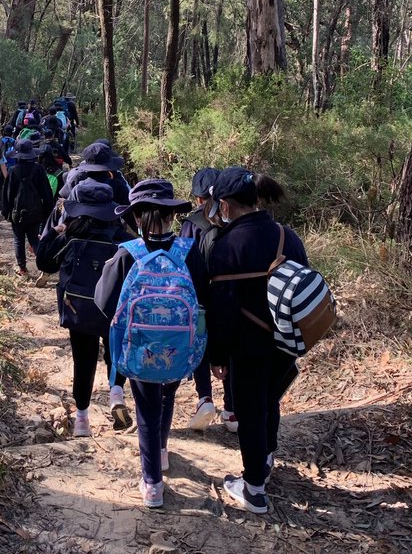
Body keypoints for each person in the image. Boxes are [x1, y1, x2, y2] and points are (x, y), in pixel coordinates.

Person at [95, 179, 209, 509]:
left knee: (146, 409)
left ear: (136, 216)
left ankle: (152, 484)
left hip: (140, 346)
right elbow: (203, 299)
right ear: (172, 216)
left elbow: (104, 301)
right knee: (168, 394)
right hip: (179, 346)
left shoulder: (127, 253)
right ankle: (161, 451)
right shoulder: (189, 252)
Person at [202, 167, 307, 515]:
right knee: (269, 400)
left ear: (225, 205)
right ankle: (265, 459)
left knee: (249, 411)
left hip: (246, 345)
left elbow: (221, 308)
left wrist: (217, 355)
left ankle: (254, 490)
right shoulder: (286, 236)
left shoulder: (225, 246)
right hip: (286, 341)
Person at [36, 179, 134, 435]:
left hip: (78, 308)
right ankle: (116, 392)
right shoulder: (122, 238)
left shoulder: (70, 236)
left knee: (83, 359)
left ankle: (82, 420)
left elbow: (44, 263)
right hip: (114, 308)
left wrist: (53, 233)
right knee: (114, 352)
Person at [179, 167, 236, 432]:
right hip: (229, 297)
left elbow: (183, 261)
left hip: (200, 296)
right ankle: (232, 408)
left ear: (198, 197)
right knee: (229, 347)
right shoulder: (233, 220)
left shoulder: (191, 224)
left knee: (200, 344)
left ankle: (205, 398)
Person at [0, 138, 55, 276]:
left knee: (18, 240)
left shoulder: (13, 171)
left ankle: (22, 269)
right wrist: (47, 211)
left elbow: (7, 194)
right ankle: (44, 266)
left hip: (17, 213)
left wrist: (6, 212)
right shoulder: (39, 169)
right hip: (36, 212)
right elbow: (46, 192)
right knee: (34, 239)